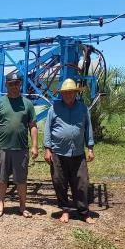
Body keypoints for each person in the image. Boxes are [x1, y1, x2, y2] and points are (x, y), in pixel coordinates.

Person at [43, 78, 95, 224]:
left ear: (75, 93)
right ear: (62, 94)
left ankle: (84, 212)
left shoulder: (83, 108)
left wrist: (90, 148)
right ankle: (65, 210)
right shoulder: (54, 108)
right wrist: (47, 149)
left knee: (81, 183)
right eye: (65, 93)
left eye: (71, 92)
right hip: (58, 152)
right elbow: (47, 129)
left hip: (78, 153)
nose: (68, 95)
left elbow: (88, 128)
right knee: (60, 182)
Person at [0, 71, 38, 217]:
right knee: (2, 179)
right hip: (2, 148)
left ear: (20, 84)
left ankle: (22, 206)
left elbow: (33, 126)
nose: (14, 86)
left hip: (21, 149)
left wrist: (35, 146)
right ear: (6, 85)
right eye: (11, 84)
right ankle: (0, 203)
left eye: (17, 83)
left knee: (21, 180)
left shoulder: (27, 104)